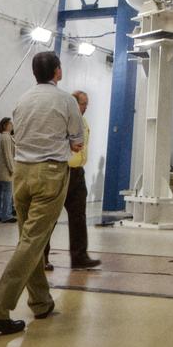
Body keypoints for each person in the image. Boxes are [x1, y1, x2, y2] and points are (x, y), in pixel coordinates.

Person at [0, 51, 84, 336]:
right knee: (32, 242)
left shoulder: (22, 99)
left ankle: (40, 301)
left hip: (21, 174)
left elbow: (16, 134)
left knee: (29, 239)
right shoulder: (66, 101)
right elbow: (77, 142)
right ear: (58, 72)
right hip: (50, 174)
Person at [64, 90, 99, 269]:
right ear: (74, 103)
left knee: (79, 215)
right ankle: (42, 257)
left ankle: (79, 257)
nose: (86, 107)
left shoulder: (83, 122)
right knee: (51, 217)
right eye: (83, 103)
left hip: (78, 172)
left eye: (87, 103)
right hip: (63, 172)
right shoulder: (64, 120)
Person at [0, 118, 16, 223]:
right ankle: (6, 215)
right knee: (7, 192)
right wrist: (12, 169)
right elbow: (8, 155)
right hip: (6, 170)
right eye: (10, 123)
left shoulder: (3, 136)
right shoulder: (6, 137)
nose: (12, 125)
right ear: (5, 125)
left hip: (0, 170)